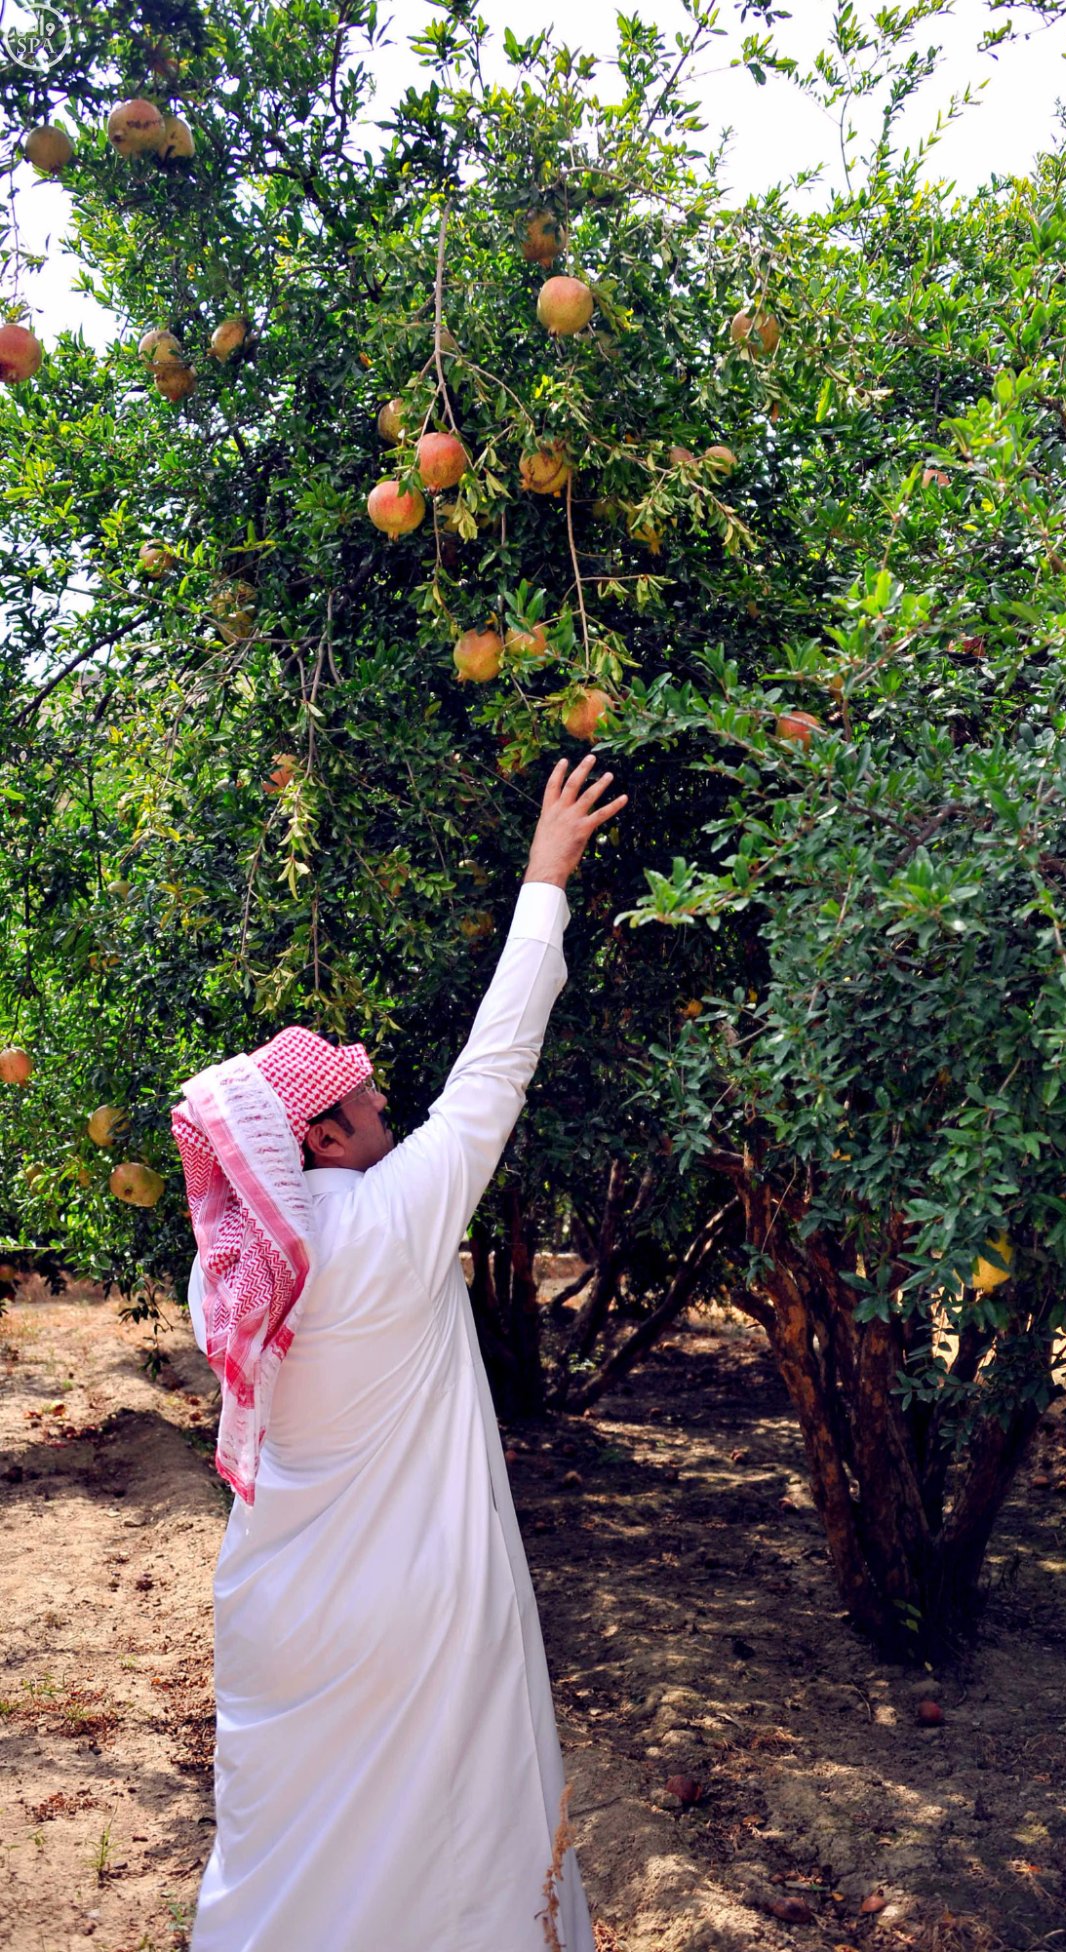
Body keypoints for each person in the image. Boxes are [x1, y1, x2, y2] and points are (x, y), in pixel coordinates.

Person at [171, 753, 626, 1952]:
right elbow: (497, 1064)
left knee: (288, 1859)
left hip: (278, 1607)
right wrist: (545, 876)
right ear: (320, 1131)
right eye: (370, 1105)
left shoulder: (226, 1269)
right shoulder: (393, 1221)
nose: (393, 1112)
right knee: (447, 1840)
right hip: (411, 1611)